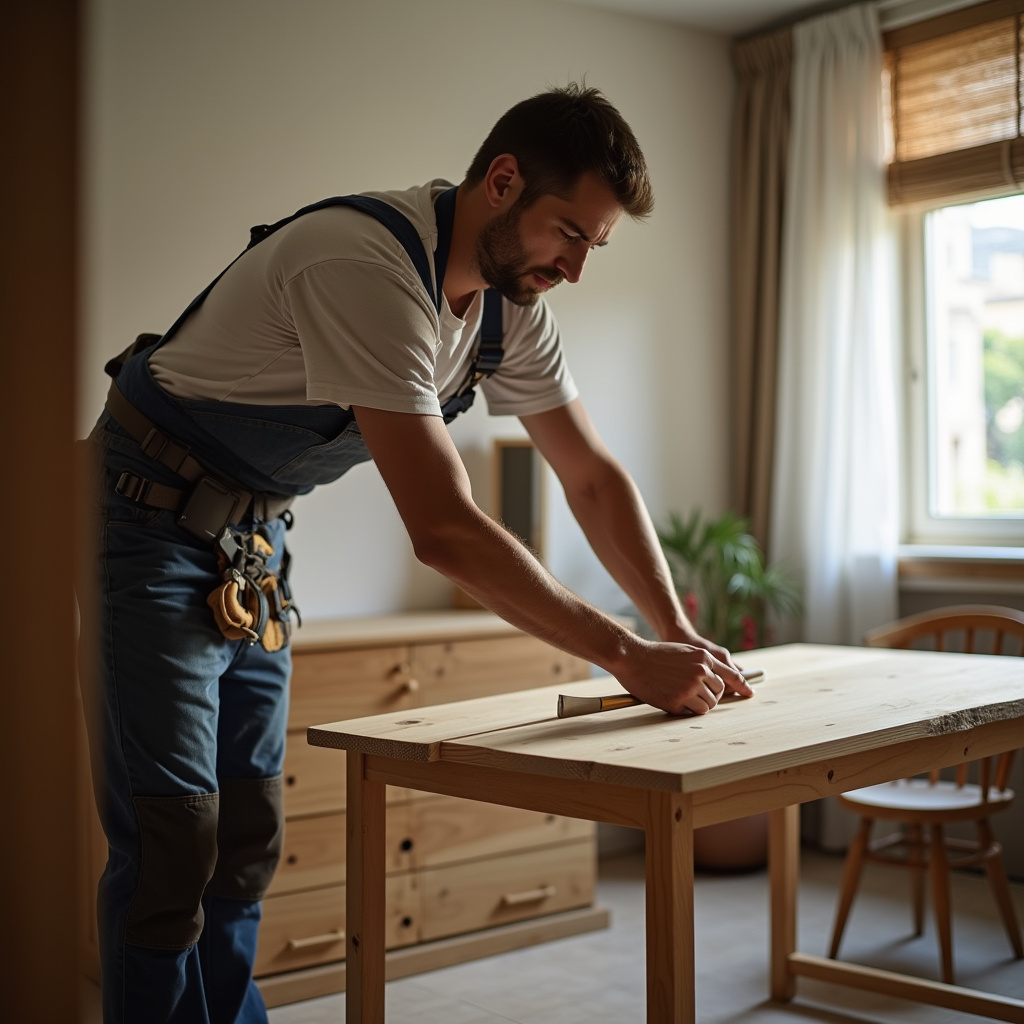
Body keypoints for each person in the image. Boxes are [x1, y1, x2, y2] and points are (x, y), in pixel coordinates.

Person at [77, 83, 753, 1024]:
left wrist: (674, 627)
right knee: (170, 842)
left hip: (254, 544)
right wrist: (628, 657)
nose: (574, 268)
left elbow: (593, 479)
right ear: (502, 181)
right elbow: (442, 526)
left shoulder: (509, 310)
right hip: (145, 525)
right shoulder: (361, 262)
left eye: (592, 247)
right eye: (569, 233)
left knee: (246, 834)